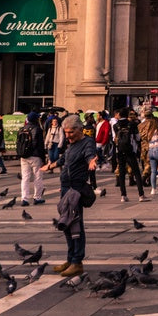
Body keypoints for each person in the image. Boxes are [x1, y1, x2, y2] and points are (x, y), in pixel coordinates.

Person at [43, 113, 97, 278]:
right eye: (65, 133)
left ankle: (77, 262)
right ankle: (70, 258)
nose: (68, 136)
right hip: (66, 188)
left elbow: (90, 155)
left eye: (71, 132)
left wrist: (91, 162)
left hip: (76, 190)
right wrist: (50, 165)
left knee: (75, 227)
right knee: (66, 225)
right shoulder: (71, 145)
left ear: (80, 130)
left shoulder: (87, 142)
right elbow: (64, 160)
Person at [112, 107, 146, 202]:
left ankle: (123, 195)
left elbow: (114, 138)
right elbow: (138, 138)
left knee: (122, 173)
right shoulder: (132, 124)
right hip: (130, 151)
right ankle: (141, 195)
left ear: (119, 115)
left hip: (119, 151)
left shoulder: (116, 125)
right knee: (136, 172)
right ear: (127, 115)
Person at [16, 108, 47, 206]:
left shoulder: (22, 129)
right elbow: (40, 145)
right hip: (35, 156)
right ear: (35, 119)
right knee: (37, 177)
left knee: (25, 178)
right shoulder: (37, 129)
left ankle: (24, 198)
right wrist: (43, 158)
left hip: (24, 156)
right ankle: (37, 197)